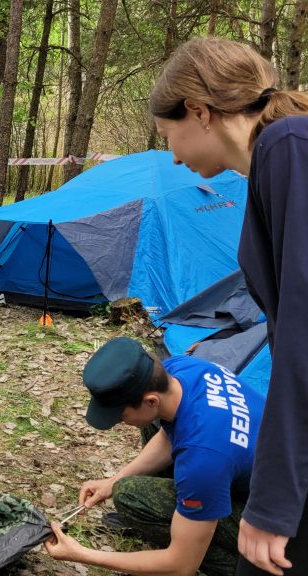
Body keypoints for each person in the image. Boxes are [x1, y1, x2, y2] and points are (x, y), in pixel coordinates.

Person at [148, 37, 308, 575]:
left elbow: (302, 331)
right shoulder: (274, 160)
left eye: (169, 136)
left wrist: (274, 498)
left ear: (199, 111)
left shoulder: (288, 145)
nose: (174, 156)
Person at [44, 337, 264, 576]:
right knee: (152, 426)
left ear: (150, 401)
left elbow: (181, 566)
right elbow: (170, 434)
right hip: (250, 474)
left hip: (277, 527)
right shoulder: (183, 369)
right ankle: (187, 520)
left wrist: (82, 554)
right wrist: (112, 481)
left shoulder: (203, 461)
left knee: (129, 495)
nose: (119, 423)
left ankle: (247, 566)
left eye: (120, 416)